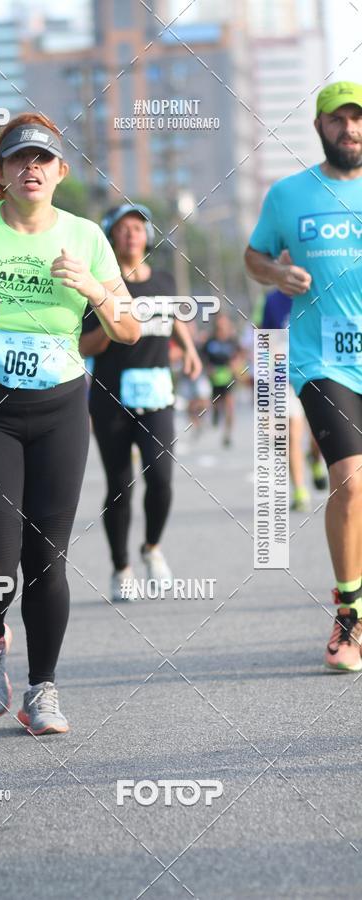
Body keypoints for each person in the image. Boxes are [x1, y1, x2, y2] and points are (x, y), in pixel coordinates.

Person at [0, 113, 139, 733]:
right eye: (18, 159)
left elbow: (128, 327)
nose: (30, 168)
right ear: (2, 171)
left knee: (48, 558)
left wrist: (95, 289)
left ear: (61, 172)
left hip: (61, 407)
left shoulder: (88, 236)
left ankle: (43, 690)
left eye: (43, 160)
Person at [245, 81, 362, 672]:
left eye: (358, 119)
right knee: (349, 481)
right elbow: (254, 255)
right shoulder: (289, 195)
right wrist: (274, 274)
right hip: (324, 360)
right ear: (319, 126)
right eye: (339, 120)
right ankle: (349, 614)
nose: (351, 130)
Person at [79, 204, 201, 601]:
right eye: (124, 228)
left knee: (161, 478)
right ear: (111, 236)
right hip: (110, 397)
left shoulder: (163, 279)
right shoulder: (99, 283)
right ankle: (121, 568)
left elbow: (176, 316)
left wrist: (189, 349)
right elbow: (83, 345)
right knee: (119, 486)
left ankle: (151, 547)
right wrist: (118, 325)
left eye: (139, 227)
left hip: (157, 395)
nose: (133, 234)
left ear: (147, 236)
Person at [261, 287, 327, 512]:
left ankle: (316, 459)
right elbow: (267, 340)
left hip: (316, 374)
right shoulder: (272, 300)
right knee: (291, 434)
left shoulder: (316, 293)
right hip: (286, 378)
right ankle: (300, 490)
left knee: (320, 434)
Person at [200, 314, 243, 447]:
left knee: (230, 406)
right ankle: (216, 413)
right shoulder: (210, 341)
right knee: (216, 403)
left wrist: (236, 364)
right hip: (214, 378)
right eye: (219, 326)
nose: (222, 329)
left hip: (229, 377)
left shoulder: (232, 340)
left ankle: (227, 435)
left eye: (224, 326)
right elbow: (202, 356)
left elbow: (241, 354)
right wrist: (208, 368)